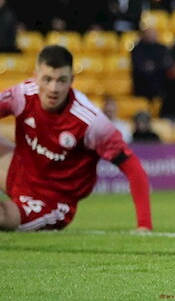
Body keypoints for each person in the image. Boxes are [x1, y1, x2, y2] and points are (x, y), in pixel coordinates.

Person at [0, 45, 152, 231]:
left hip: (53, 201)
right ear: (36, 77)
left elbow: (133, 167)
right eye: (47, 79)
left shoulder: (90, 121)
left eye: (61, 80)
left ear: (72, 80)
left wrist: (144, 224)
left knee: (3, 217)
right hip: (17, 173)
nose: (53, 88)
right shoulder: (22, 96)